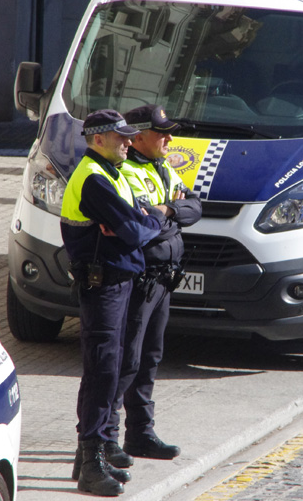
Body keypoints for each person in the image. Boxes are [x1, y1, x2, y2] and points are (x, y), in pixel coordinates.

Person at [62, 109, 161, 496]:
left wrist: (143, 220)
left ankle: (93, 454)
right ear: (98, 139)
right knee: (103, 370)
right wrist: (145, 221)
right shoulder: (94, 179)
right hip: (102, 285)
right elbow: (136, 232)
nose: (128, 142)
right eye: (121, 137)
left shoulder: (110, 173)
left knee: (106, 368)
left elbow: (137, 225)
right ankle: (90, 464)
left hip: (116, 282)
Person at [109, 104, 202, 460]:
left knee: (150, 358)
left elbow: (196, 207)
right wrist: (166, 216)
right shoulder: (128, 171)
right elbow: (144, 226)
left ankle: (140, 434)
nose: (170, 139)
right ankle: (105, 438)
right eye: (162, 133)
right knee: (127, 360)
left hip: (163, 280)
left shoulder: (163, 168)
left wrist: (169, 210)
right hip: (140, 280)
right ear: (138, 137)